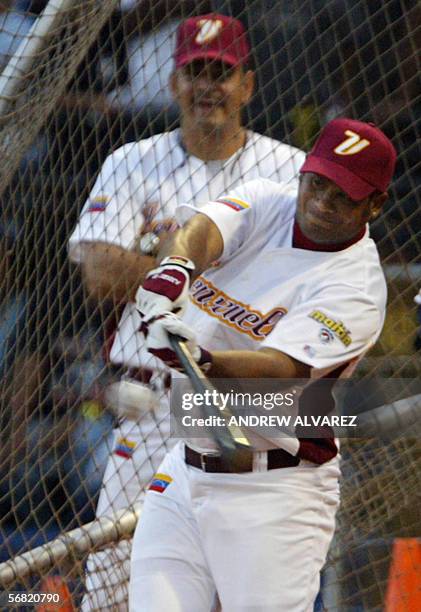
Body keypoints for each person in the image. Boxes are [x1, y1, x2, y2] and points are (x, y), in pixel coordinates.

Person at [68, 13, 305, 611]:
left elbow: (304, 289)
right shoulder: (130, 160)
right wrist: (232, 284)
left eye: (221, 73)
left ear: (247, 84)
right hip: (150, 397)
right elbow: (99, 273)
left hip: (252, 399)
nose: (209, 87)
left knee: (250, 586)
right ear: (173, 83)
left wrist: (158, 271)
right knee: (111, 587)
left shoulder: (292, 171)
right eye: (195, 72)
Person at [129, 117, 397, 611]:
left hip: (274, 493)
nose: (321, 203)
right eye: (317, 184)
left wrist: (201, 359)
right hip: (185, 470)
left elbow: (281, 368)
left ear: (374, 206)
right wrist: (174, 270)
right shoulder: (266, 200)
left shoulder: (356, 286)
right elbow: (204, 229)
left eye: (343, 196)